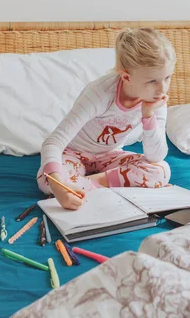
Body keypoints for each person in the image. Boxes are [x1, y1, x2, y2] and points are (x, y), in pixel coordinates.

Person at [37, 28, 175, 210]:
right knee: (47, 182)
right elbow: (53, 143)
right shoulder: (100, 93)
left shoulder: (155, 99)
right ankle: (81, 186)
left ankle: (91, 184)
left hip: (110, 156)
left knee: (161, 171)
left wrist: (148, 115)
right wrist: (58, 186)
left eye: (167, 77)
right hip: (74, 153)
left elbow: (155, 156)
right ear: (126, 76)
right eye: (152, 81)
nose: (162, 89)